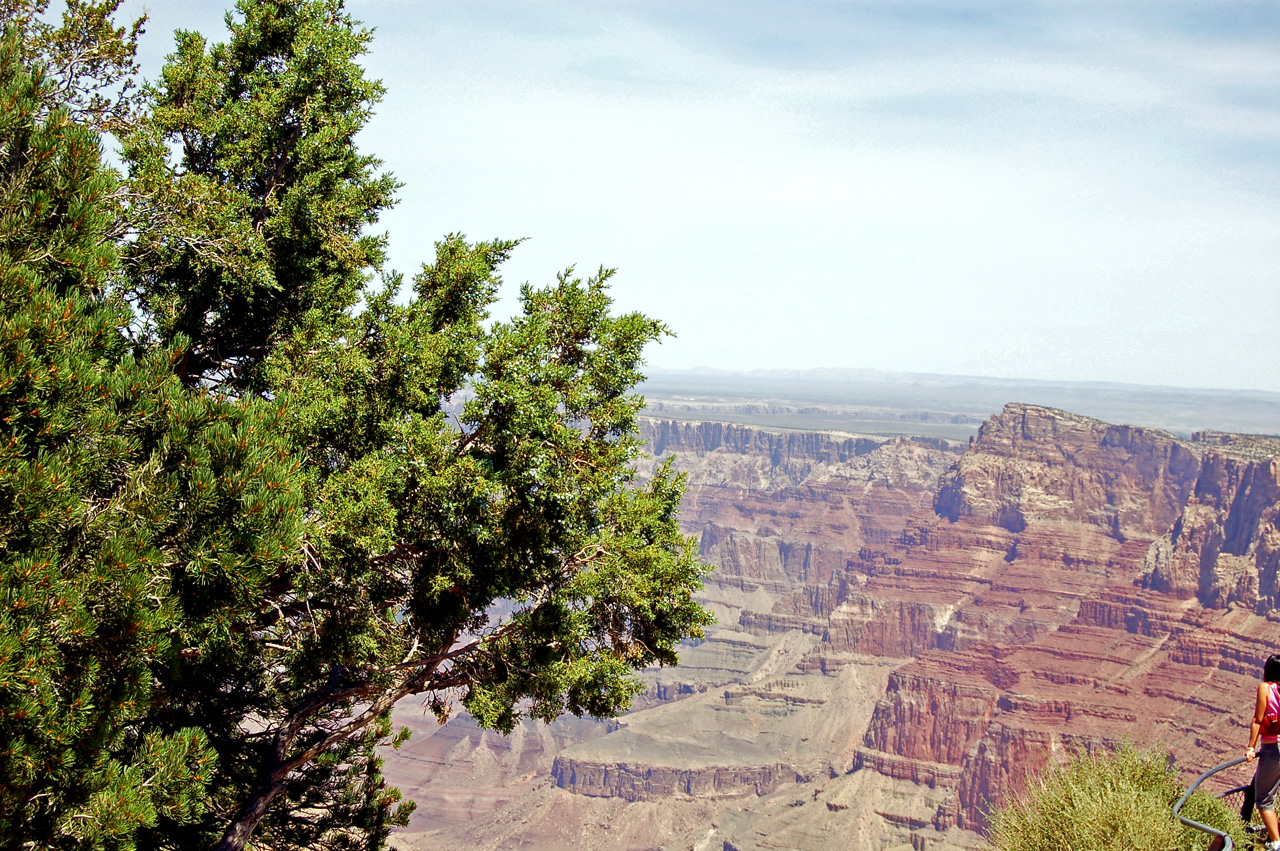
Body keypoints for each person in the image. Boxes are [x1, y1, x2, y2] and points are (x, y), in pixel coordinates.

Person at [1246, 654, 1280, 851]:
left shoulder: (1265, 688)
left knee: (1264, 799)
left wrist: (1251, 748)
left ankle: (1276, 843)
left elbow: (1258, 719)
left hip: (1273, 749)